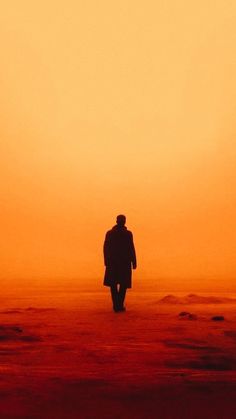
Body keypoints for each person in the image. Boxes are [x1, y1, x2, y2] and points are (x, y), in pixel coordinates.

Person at [103, 215, 137, 312]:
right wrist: (133, 261)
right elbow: (131, 248)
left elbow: (106, 248)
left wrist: (106, 260)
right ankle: (118, 305)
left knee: (116, 285)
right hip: (122, 263)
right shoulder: (126, 234)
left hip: (115, 263)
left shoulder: (111, 233)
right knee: (121, 285)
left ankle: (117, 305)